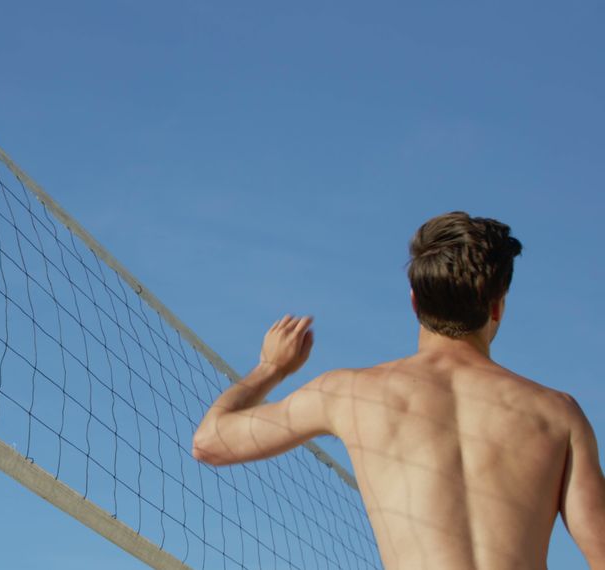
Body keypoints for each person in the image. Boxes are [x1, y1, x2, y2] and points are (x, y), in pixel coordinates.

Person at [192, 212, 605, 569]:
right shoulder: (557, 413)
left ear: (413, 302)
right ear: (497, 305)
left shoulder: (349, 394)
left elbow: (210, 442)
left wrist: (270, 368)